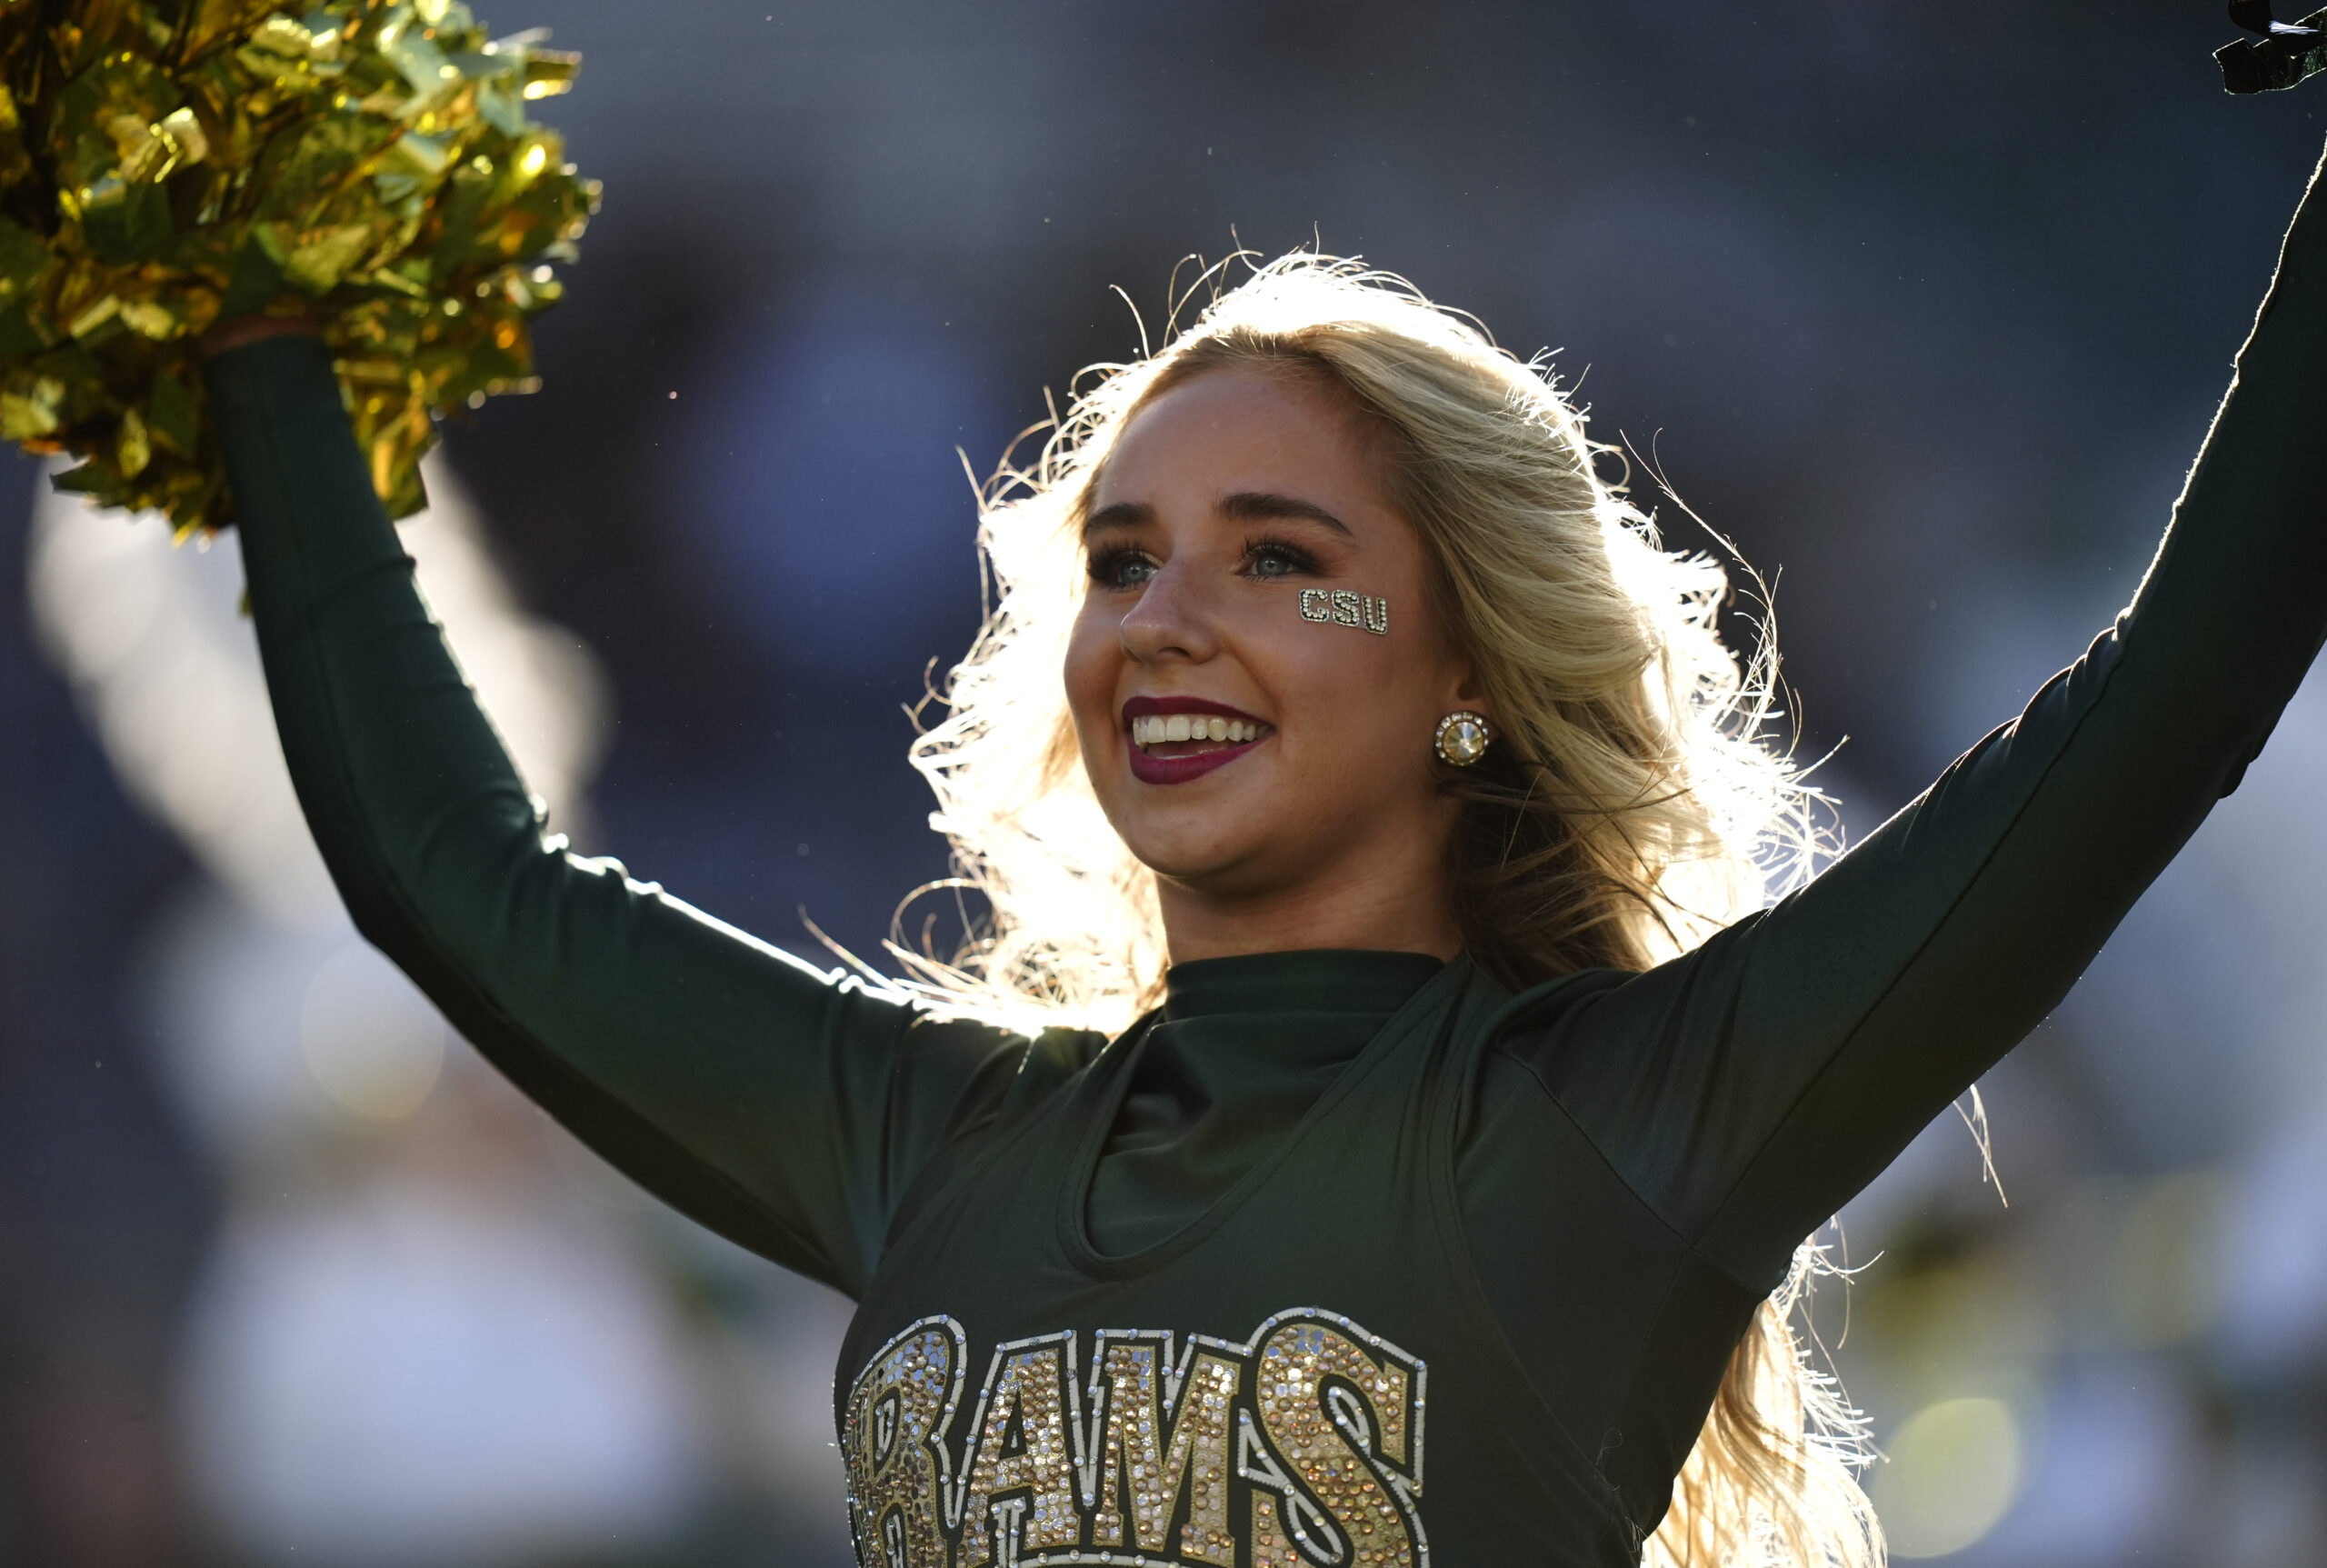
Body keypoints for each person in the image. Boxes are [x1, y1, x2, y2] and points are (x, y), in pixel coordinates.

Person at [195, 127, 2327, 1564]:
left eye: (1277, 555)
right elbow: (447, 878)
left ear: (1466, 673)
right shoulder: (925, 1135)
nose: (1164, 616)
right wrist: (266, 333)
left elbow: (2159, 707)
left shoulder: (1616, 1121)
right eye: (1119, 559)